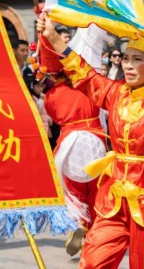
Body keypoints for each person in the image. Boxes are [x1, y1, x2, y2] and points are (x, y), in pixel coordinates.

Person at [37, 14, 144, 269]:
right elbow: (84, 75)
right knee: (93, 261)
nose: (128, 65)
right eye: (126, 58)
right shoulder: (116, 93)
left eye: (137, 59)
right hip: (114, 192)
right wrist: (52, 37)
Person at [38, 35, 107, 256]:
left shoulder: (51, 95)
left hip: (69, 142)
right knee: (95, 190)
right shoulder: (89, 87)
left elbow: (54, 117)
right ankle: (94, 234)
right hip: (94, 141)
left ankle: (78, 223)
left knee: (73, 191)